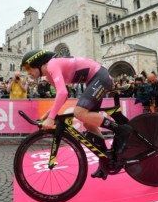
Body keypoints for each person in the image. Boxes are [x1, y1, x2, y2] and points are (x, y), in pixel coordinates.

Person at [21, 50, 132, 179]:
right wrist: (49, 114)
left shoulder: (52, 65)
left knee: (79, 112)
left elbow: (62, 93)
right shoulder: (49, 76)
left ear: (38, 63)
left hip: (100, 76)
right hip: (94, 80)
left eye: (28, 68)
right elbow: (62, 96)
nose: (28, 72)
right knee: (88, 123)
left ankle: (122, 130)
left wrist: (51, 118)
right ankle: (106, 161)